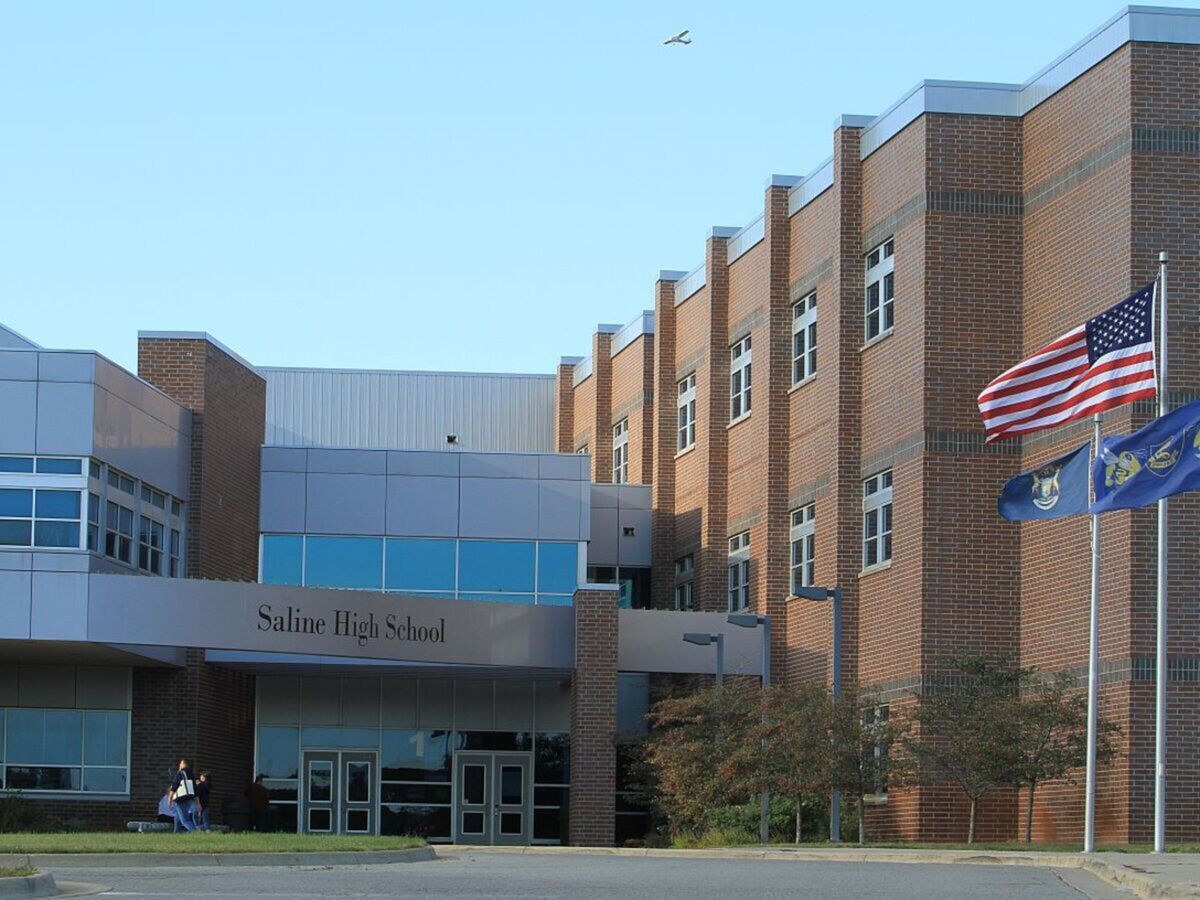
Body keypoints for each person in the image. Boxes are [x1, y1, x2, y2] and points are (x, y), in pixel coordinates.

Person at [168, 758, 199, 833]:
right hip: (189, 797)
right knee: (178, 816)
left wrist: (170, 797)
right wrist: (198, 803)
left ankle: (196, 833)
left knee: (185, 821)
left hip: (180, 798)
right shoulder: (191, 774)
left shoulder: (180, 773)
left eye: (181, 763)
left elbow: (175, 785)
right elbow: (195, 789)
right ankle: (176, 833)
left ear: (184, 764)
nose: (179, 765)